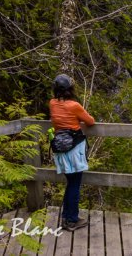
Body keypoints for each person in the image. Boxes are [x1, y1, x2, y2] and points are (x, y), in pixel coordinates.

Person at [49, 74, 95, 231]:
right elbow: (90, 121)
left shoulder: (52, 103)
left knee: (71, 184)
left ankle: (67, 218)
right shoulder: (74, 106)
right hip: (74, 149)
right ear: (70, 89)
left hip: (60, 148)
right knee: (75, 185)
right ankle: (72, 221)